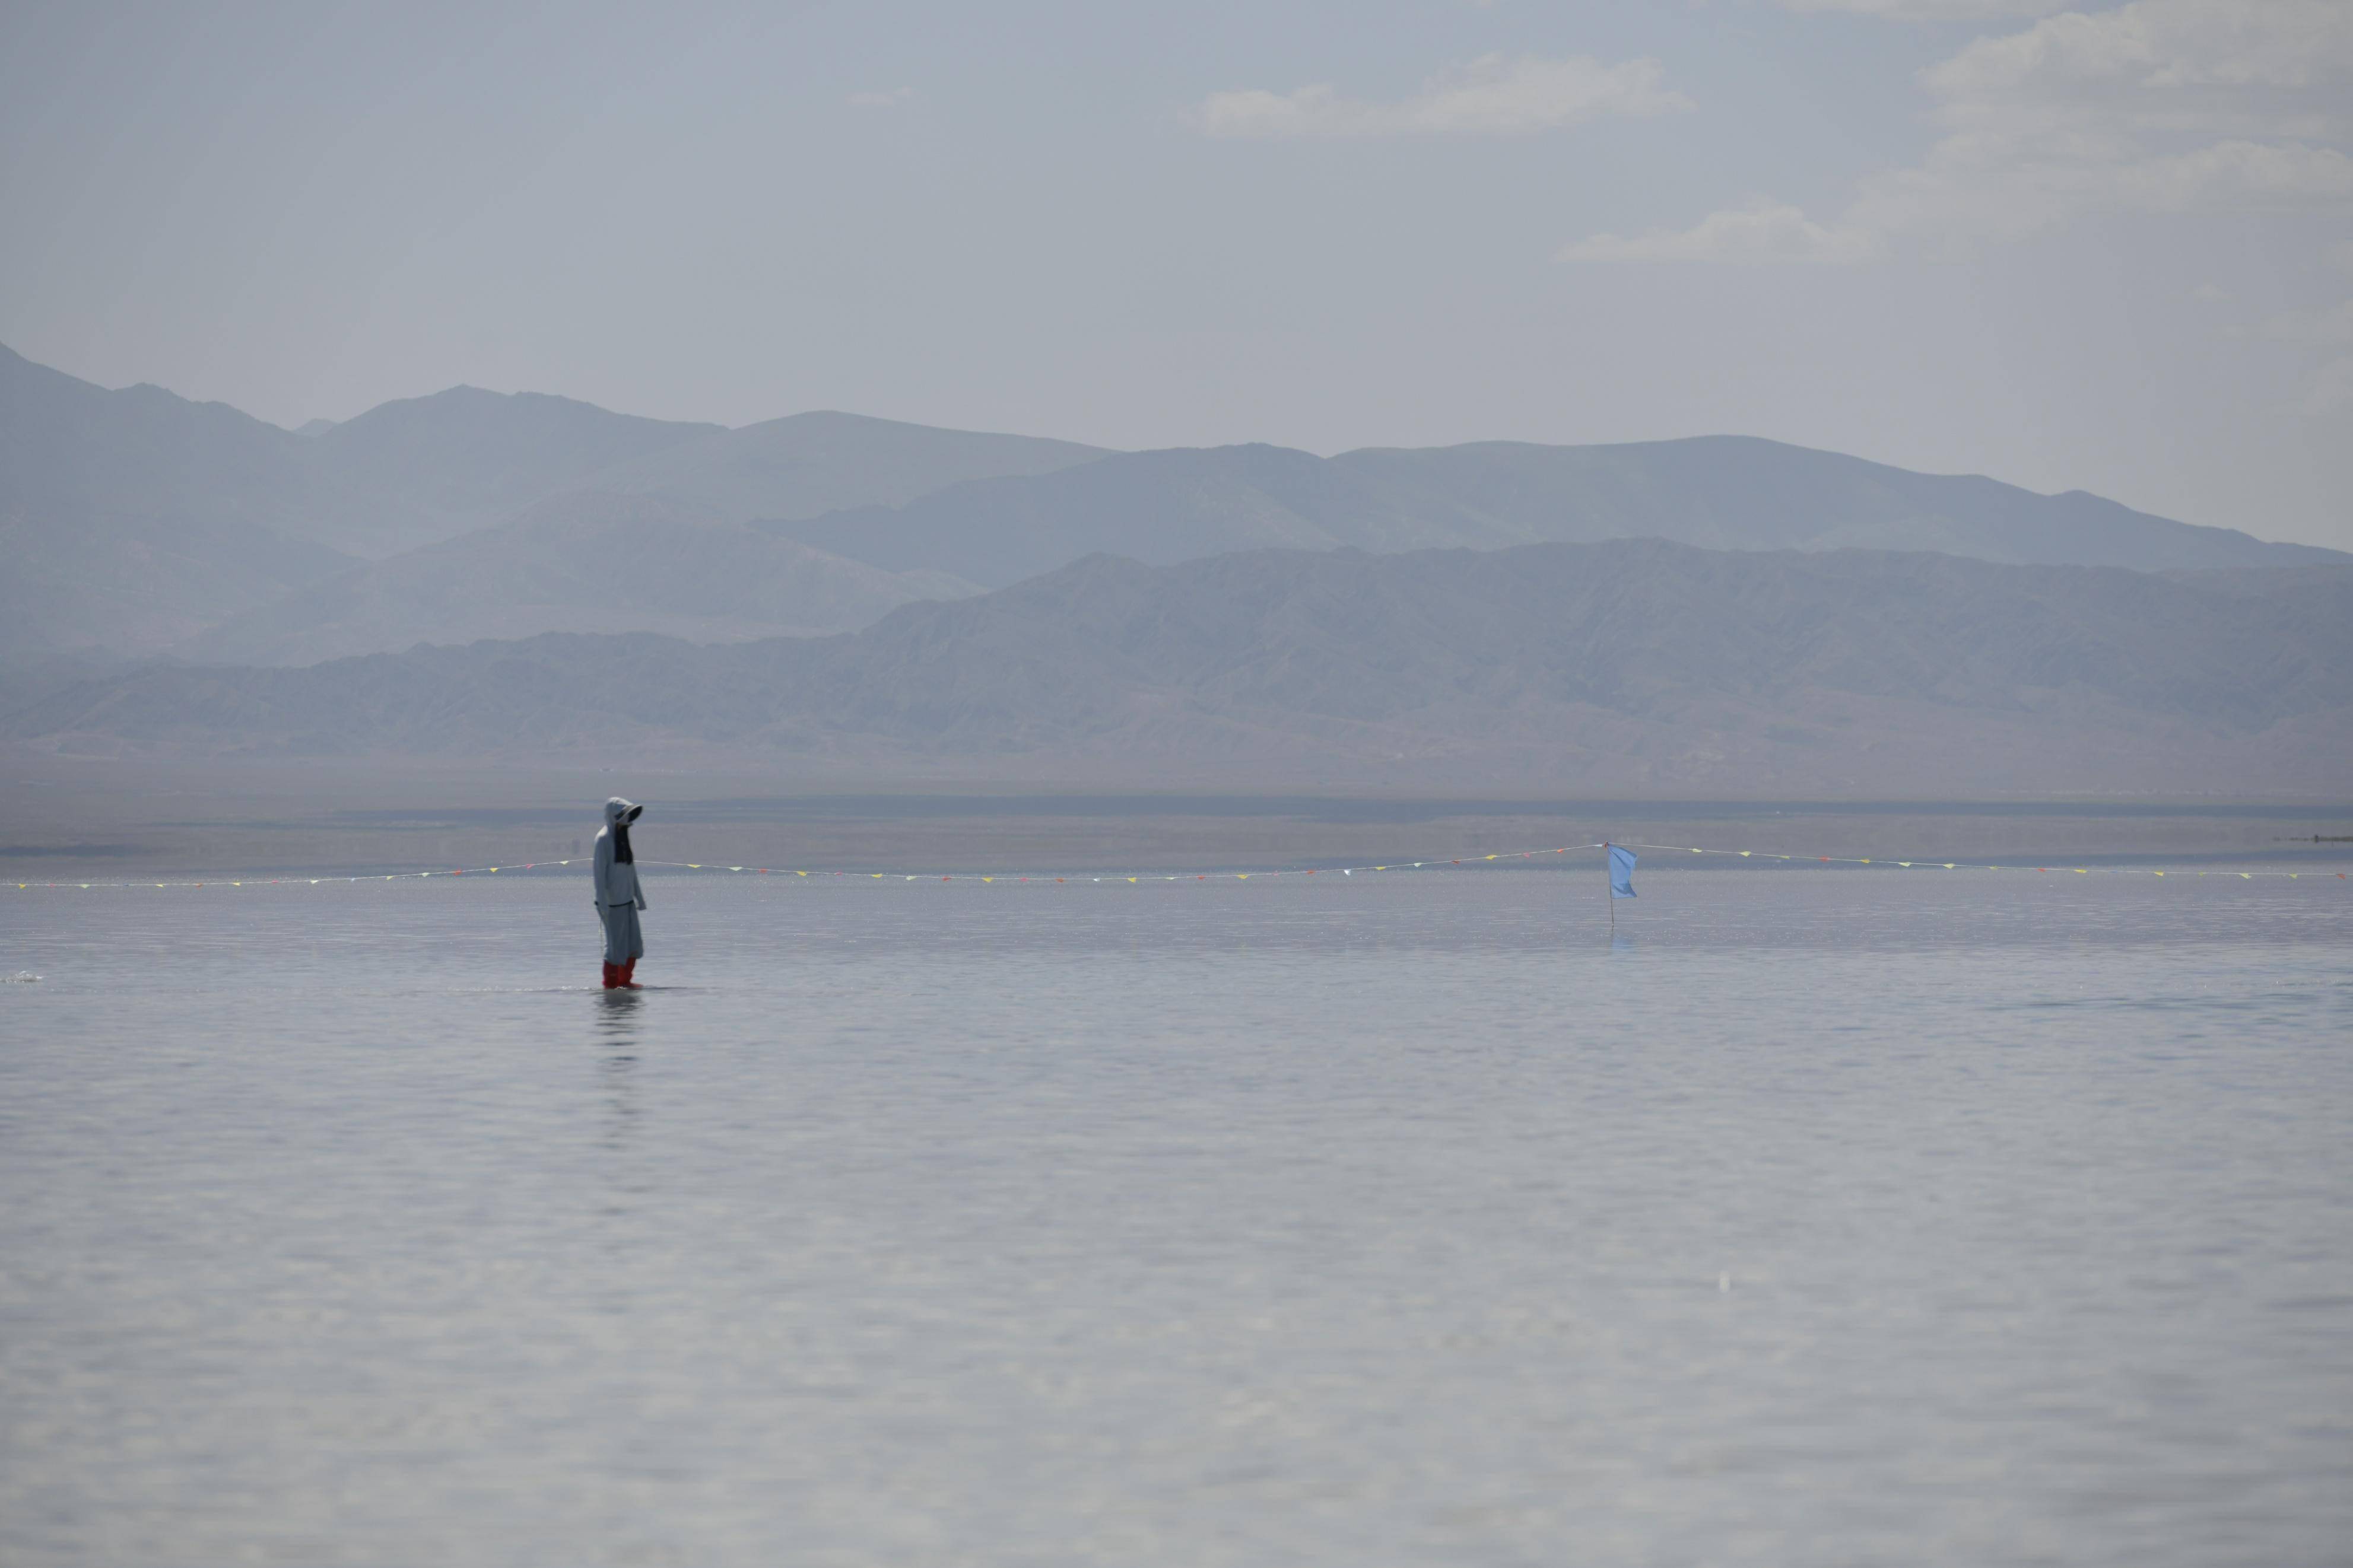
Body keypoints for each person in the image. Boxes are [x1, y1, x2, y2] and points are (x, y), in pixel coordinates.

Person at [593, 797, 649, 989]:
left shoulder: (623, 838)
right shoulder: (603, 840)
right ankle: (611, 985)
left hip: (628, 904)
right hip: (611, 906)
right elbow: (599, 875)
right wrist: (603, 905)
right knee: (615, 950)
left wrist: (639, 898)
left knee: (634, 946)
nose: (626, 819)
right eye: (623, 815)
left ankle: (625, 982)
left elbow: (631, 871)